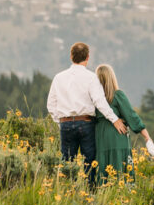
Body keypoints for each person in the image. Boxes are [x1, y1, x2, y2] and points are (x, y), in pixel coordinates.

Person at [46, 42, 126, 186]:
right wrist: (115, 120)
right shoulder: (91, 78)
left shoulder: (59, 77)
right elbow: (100, 102)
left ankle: (67, 191)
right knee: (90, 161)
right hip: (86, 123)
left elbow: (51, 105)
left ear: (71, 57)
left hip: (65, 123)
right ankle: (90, 193)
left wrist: (60, 122)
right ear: (87, 57)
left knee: (67, 162)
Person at [94, 64, 150, 183]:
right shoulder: (117, 95)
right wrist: (147, 137)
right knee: (120, 170)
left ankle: (102, 195)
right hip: (117, 136)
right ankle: (122, 195)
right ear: (112, 78)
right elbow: (132, 116)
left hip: (100, 138)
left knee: (102, 169)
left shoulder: (94, 98)